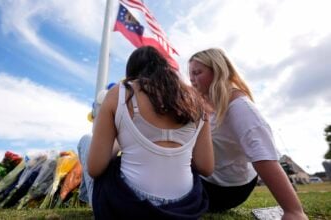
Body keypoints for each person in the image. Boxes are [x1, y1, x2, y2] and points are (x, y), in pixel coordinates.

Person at [83, 46, 214, 219]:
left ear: (131, 73)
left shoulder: (119, 93)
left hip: (128, 206)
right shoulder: (195, 100)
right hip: (185, 208)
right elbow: (206, 167)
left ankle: (91, 202)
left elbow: (94, 168)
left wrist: (117, 144)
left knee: (85, 141)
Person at [188, 48, 308, 219]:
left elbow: (263, 155)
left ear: (218, 71)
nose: (192, 79)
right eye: (190, 74)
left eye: (197, 73)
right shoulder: (205, 106)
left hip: (227, 189)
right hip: (210, 181)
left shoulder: (240, 107)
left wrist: (293, 211)